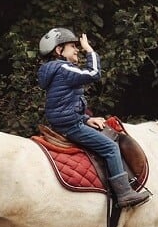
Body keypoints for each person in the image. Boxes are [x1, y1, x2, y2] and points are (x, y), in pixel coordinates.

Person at [38, 28, 150, 208]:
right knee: (111, 148)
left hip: (67, 122)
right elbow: (94, 73)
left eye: (78, 46)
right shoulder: (64, 68)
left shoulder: (54, 70)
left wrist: (85, 119)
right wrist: (89, 50)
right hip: (70, 126)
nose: (77, 50)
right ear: (59, 51)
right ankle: (124, 194)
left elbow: (63, 105)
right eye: (72, 46)